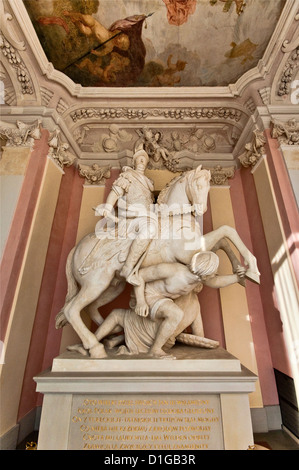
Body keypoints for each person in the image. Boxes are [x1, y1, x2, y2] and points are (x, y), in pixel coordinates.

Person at [93, 251, 246, 358]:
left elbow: (216, 282)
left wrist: (237, 278)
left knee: (173, 312)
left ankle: (148, 345)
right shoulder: (172, 270)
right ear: (205, 271)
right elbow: (139, 276)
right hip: (149, 296)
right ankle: (155, 350)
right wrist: (140, 301)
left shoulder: (197, 280)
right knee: (176, 313)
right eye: (213, 272)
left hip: (162, 300)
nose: (214, 275)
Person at [95, 149, 158, 285]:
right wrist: (107, 207)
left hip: (146, 216)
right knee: (150, 229)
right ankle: (128, 267)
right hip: (131, 217)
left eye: (144, 160)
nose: (141, 162)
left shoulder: (148, 183)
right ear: (134, 162)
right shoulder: (128, 176)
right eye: (139, 159)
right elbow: (116, 192)